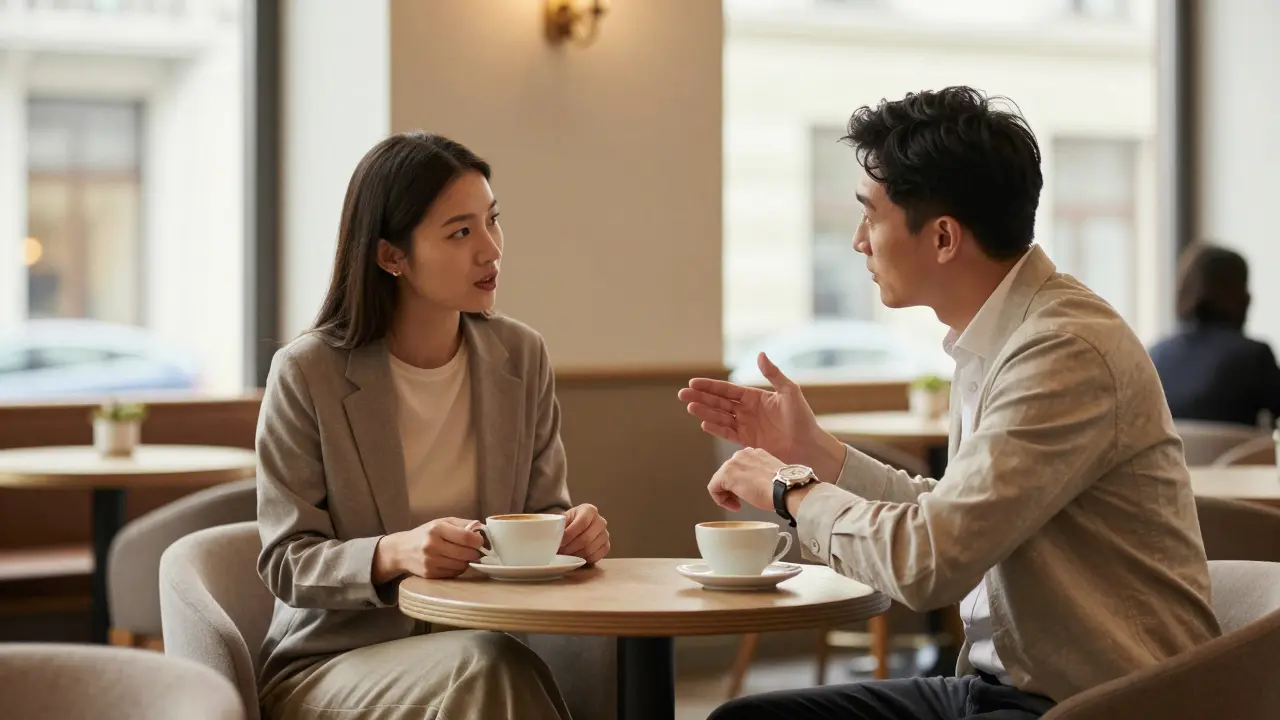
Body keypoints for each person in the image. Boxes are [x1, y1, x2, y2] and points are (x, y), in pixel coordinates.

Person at [680, 87, 1219, 719]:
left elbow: (929, 563)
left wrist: (788, 489)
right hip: (1004, 688)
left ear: (942, 238)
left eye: (870, 215)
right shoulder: (1002, 337)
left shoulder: (1063, 351)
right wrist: (814, 452)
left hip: (1099, 704)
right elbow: (946, 520)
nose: (858, 240)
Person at [255, 131, 610, 719]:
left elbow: (542, 512)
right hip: (334, 664)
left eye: (492, 222)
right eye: (461, 232)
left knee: (495, 665)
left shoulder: (520, 357)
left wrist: (571, 535)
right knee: (490, 669)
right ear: (391, 256)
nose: (491, 250)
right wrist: (393, 554)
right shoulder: (307, 372)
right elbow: (285, 561)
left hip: (482, 646)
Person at [1149, 242, 1280, 428]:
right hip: (1240, 458)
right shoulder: (1254, 357)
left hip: (1171, 458)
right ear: (1240, 297)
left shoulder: (1155, 357)